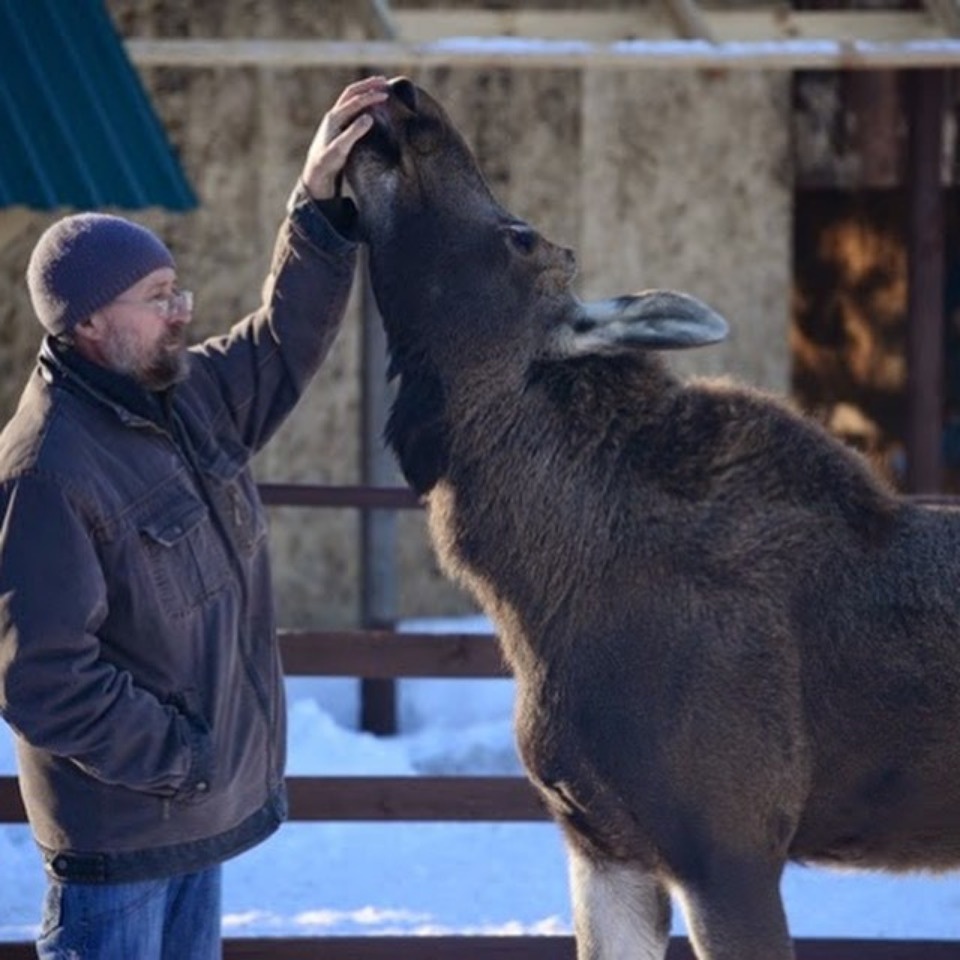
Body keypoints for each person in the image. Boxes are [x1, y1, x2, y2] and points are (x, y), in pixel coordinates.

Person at [0, 75, 389, 959]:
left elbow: (282, 339)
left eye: (177, 288)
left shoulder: (182, 396)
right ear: (91, 322)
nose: (182, 308)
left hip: (191, 823)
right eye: (158, 295)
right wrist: (184, 758)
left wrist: (316, 208)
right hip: (124, 838)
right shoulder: (47, 469)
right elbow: (43, 678)